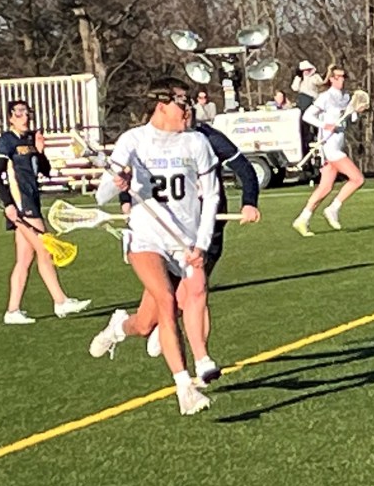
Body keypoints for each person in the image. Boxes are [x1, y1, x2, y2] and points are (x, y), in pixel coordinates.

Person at [90, 99, 262, 373]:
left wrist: (249, 202)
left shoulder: (207, 139)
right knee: (147, 320)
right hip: (159, 236)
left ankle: (201, 362)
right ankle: (121, 327)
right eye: (181, 105)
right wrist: (124, 199)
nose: (186, 112)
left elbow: (244, 169)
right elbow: (136, 175)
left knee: (195, 293)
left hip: (202, 231)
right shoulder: (144, 139)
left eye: (188, 106)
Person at [93, 77, 220, 415]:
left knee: (148, 322)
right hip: (146, 238)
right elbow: (101, 195)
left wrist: (201, 243)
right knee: (166, 299)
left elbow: (212, 197)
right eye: (182, 103)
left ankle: (120, 327)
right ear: (162, 105)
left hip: (184, 241)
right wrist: (118, 181)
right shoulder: (133, 141)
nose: (188, 110)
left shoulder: (196, 143)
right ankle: (184, 386)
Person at [0, 99, 90, 324]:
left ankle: (12, 311)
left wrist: (40, 151)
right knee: (45, 249)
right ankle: (60, 301)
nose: (25, 116)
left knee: (24, 260)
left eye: (27, 112)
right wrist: (8, 204)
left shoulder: (31, 139)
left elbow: (45, 171)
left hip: (33, 199)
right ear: (10, 118)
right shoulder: (6, 140)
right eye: (19, 113)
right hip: (21, 203)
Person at [291, 65, 365, 235]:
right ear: (331, 78)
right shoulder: (325, 97)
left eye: (344, 76)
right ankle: (333, 208)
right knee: (357, 179)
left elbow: (349, 119)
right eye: (338, 76)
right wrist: (325, 125)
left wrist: (356, 112)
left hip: (338, 144)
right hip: (329, 147)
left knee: (325, 188)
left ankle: (302, 219)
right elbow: (307, 116)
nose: (342, 79)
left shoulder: (346, 97)